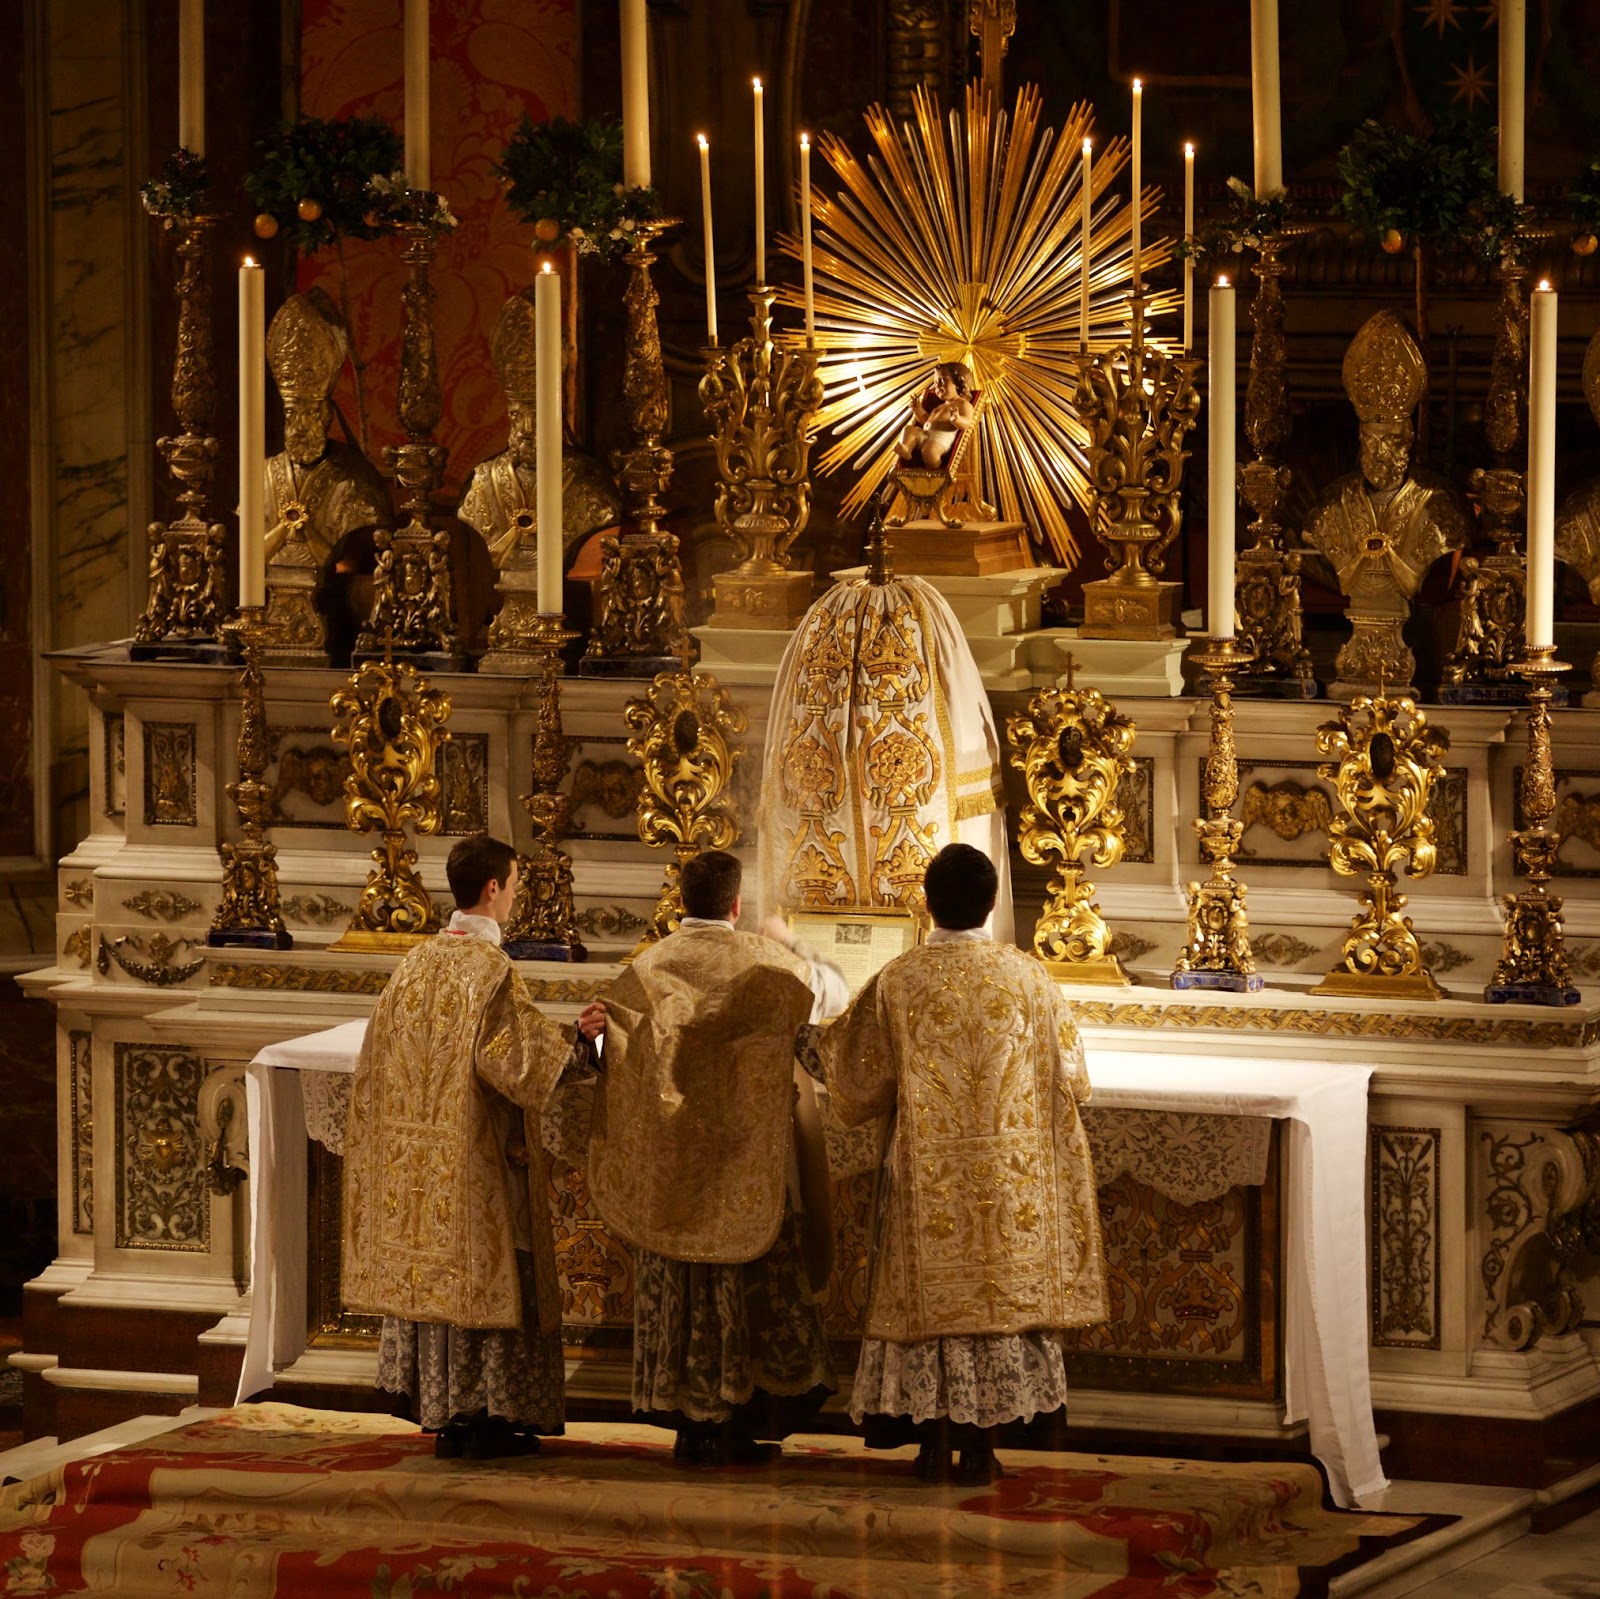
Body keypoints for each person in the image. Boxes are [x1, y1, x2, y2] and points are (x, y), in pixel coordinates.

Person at [807, 842, 1107, 1484]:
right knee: (994, 1303)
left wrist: (804, 1036)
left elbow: (857, 1088)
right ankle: (981, 1447)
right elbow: (1075, 1080)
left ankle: (931, 1443)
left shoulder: (900, 978)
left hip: (926, 1177)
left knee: (932, 1303)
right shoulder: (1030, 977)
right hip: (1009, 1182)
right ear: (994, 902)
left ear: (927, 903)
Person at [342, 834, 605, 1459]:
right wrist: (579, 1041)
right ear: (494, 888)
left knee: (442, 1279)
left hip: (424, 1166)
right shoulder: (489, 970)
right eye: (513, 884)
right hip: (480, 1158)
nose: (514, 896)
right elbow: (513, 1063)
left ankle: (445, 1408)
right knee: (490, 1271)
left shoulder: (415, 962)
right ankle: (485, 1414)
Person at [585, 848, 848, 1465]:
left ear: (682, 901)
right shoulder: (772, 965)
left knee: (681, 1282)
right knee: (741, 1284)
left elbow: (616, 1066)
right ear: (736, 905)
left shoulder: (644, 970)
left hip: (672, 1165)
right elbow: (824, 1015)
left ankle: (687, 1425)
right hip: (745, 1164)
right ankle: (735, 1419)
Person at [894, 361, 976, 468]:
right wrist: (917, 409)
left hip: (940, 439)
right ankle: (906, 449)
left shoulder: (963, 404)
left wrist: (958, 419)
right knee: (909, 429)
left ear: (959, 384)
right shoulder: (940, 407)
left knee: (929, 451)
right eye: (936, 382)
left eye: (942, 380)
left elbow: (968, 423)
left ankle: (934, 471)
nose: (938, 386)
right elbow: (926, 421)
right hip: (925, 434)